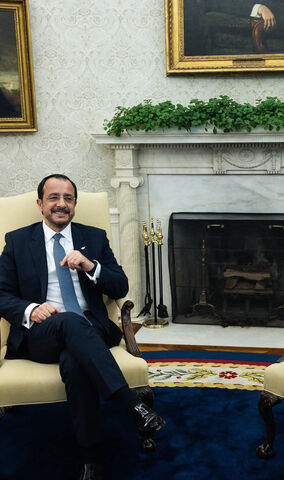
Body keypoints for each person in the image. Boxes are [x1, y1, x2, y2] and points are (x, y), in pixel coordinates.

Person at [0, 174, 165, 480]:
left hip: (90, 330)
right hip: (41, 333)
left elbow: (120, 286)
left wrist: (91, 266)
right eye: (54, 198)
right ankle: (134, 407)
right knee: (67, 322)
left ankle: (90, 459)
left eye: (68, 198)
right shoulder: (18, 240)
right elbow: (1, 293)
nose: (61, 204)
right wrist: (32, 309)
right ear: (40, 203)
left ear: (74, 204)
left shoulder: (95, 238)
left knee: (75, 362)